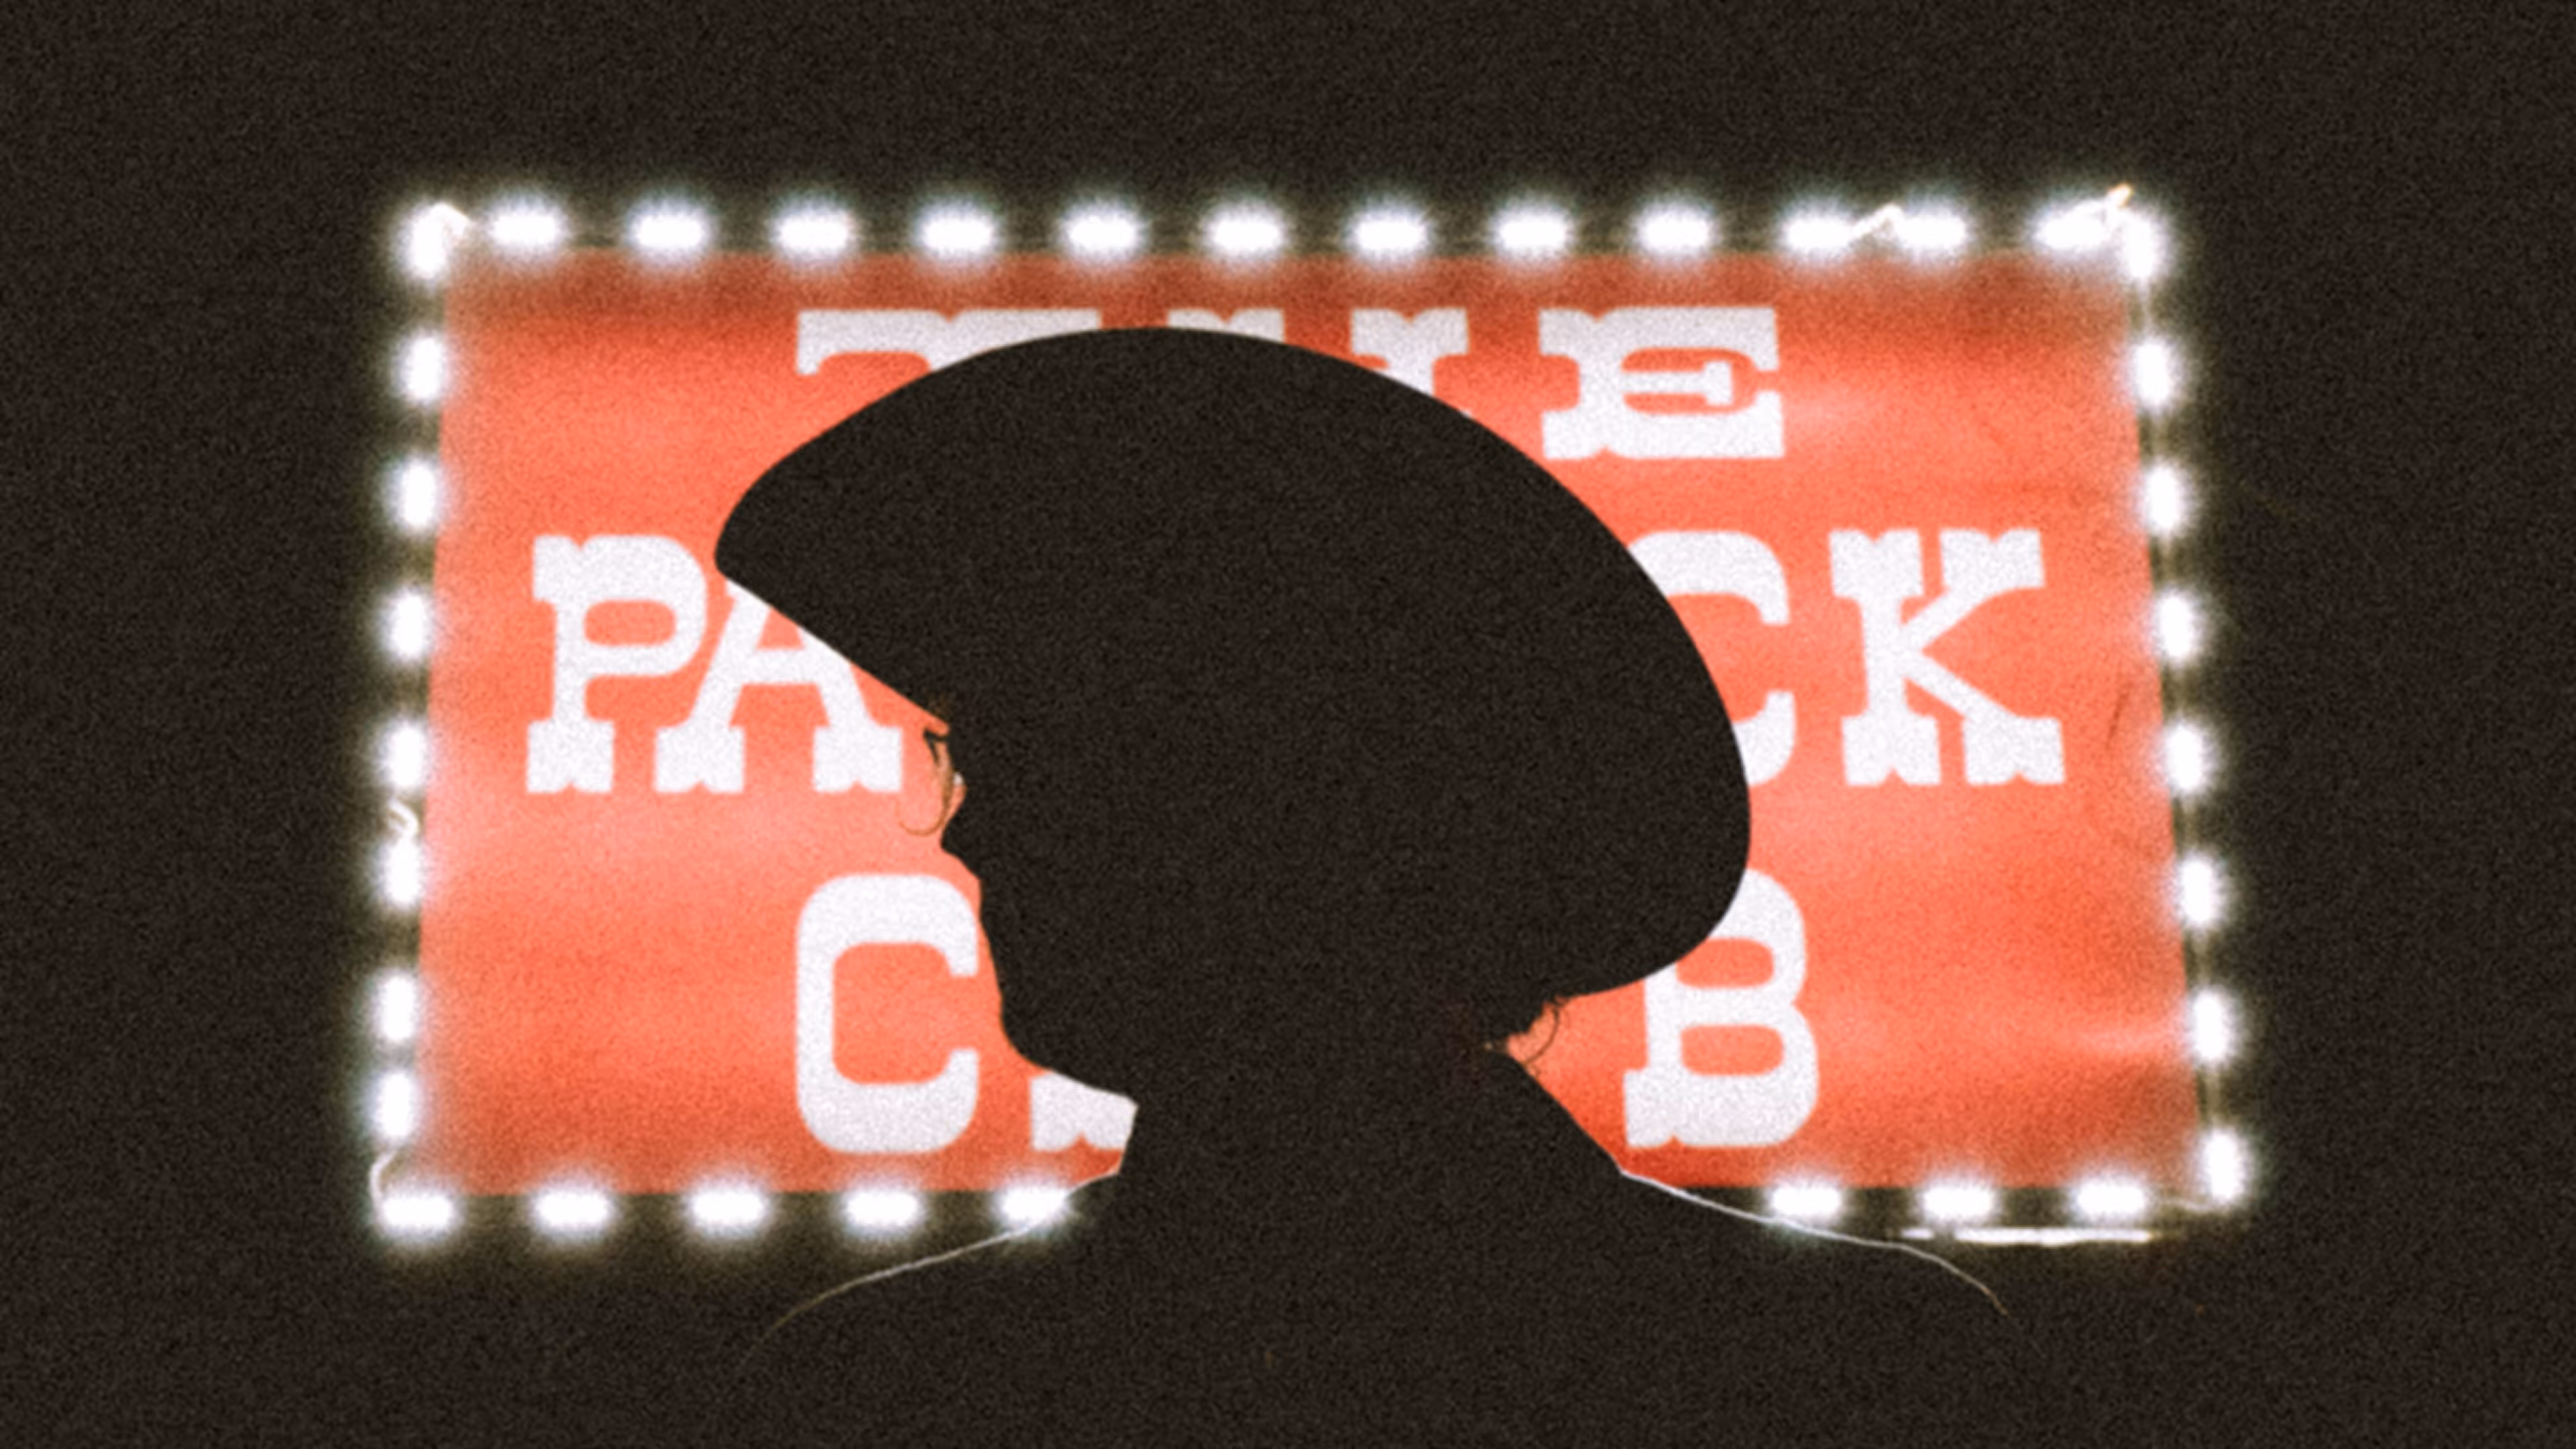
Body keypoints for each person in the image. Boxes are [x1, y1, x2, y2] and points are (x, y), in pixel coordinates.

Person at [706, 329, 2050, 1446]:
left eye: (1041, 757)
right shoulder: (1851, 1373)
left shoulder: (894, 1395)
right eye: (969, 758)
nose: (972, 833)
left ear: (1288, 797)